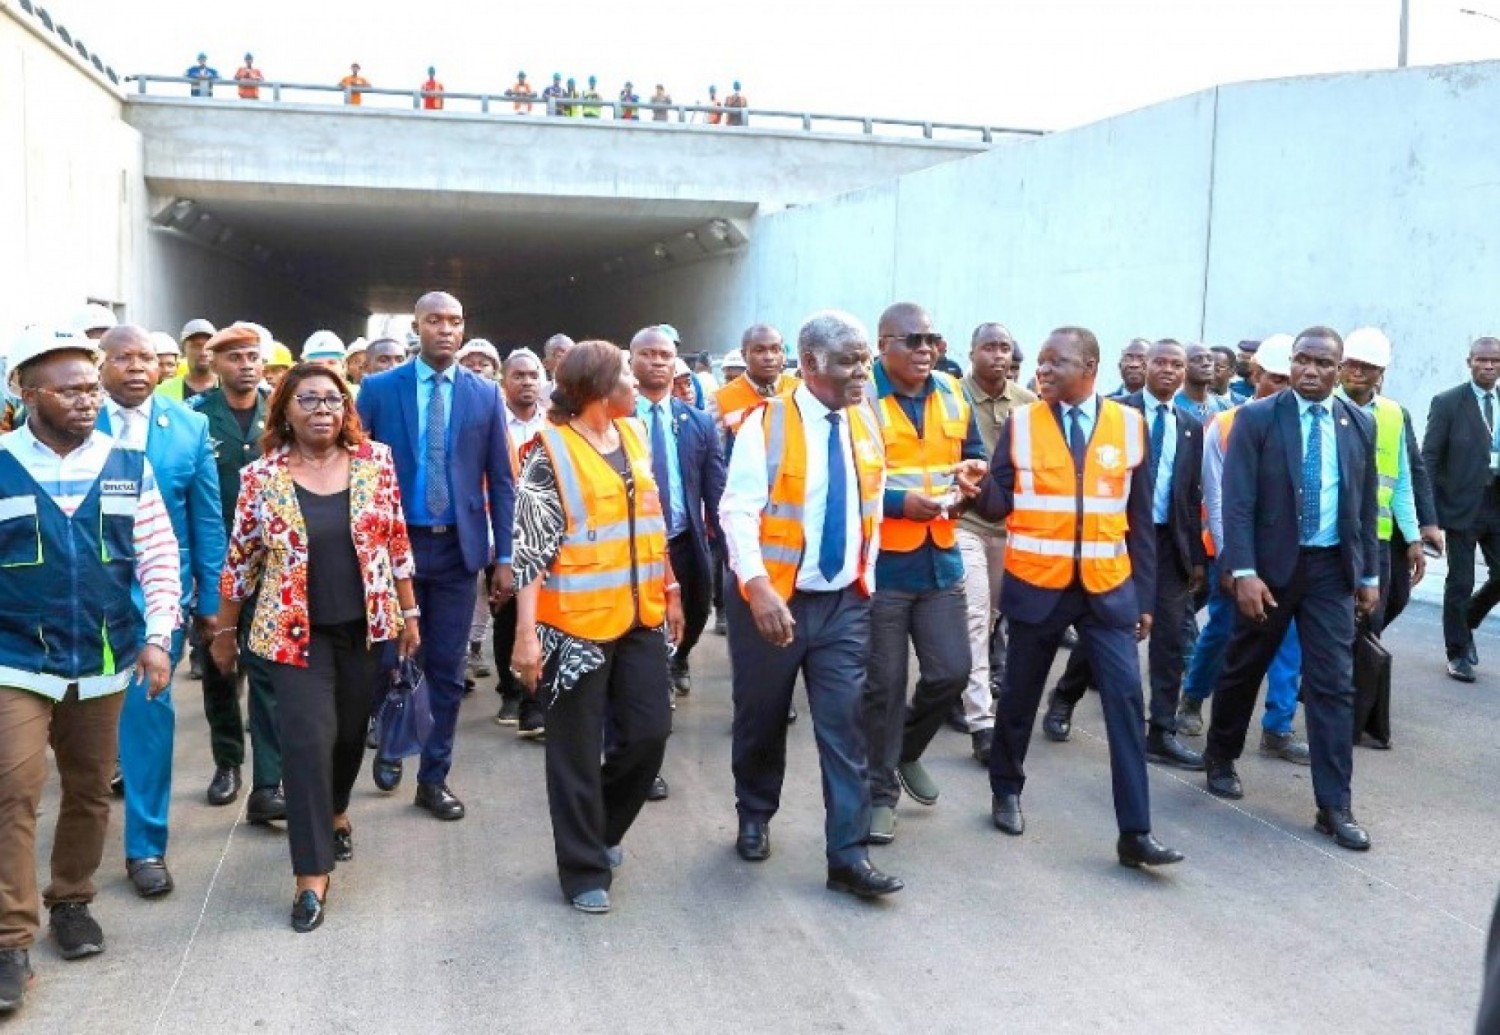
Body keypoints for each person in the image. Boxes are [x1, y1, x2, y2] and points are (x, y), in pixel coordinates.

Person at [0, 327, 179, 1014]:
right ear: (27, 391)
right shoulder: (4, 461)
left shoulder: (128, 462)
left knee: (88, 789)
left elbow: (160, 554)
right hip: (15, 657)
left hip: (104, 657)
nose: (87, 399)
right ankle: (12, 937)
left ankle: (71, 899)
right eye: (71, 388)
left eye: (91, 388)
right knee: (13, 787)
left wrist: (158, 637)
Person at [215, 364, 420, 932]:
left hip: (364, 629)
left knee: (350, 735)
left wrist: (409, 611)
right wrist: (225, 632)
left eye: (332, 399)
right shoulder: (261, 477)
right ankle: (311, 876)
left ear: (346, 409)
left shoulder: (376, 463)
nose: (322, 409)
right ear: (284, 410)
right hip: (293, 636)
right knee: (306, 743)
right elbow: (242, 559)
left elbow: (396, 540)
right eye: (308, 399)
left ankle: (335, 811)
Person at [975, 326, 1182, 868]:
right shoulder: (1021, 425)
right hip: (1037, 588)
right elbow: (997, 505)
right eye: (1039, 363)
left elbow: (1140, 522)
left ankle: (1135, 832)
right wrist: (976, 485)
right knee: (1018, 696)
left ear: (1088, 366)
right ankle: (1006, 789)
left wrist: (1144, 598)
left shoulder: (1129, 426)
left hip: (1107, 591)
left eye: (1054, 362)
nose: (1041, 370)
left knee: (1124, 703)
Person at [720, 310, 904, 899]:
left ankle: (846, 857)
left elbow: (868, 502)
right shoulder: (764, 425)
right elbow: (737, 511)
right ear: (810, 365)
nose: (862, 371)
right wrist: (757, 586)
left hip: (843, 602)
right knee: (762, 716)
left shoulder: (865, 423)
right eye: (850, 360)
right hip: (772, 603)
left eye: (864, 359)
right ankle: (754, 811)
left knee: (844, 726)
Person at [510, 341, 682, 914]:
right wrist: (525, 635)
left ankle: (600, 828)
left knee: (649, 733)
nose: (638, 382)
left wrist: (672, 588)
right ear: (599, 389)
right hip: (572, 628)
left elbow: (652, 523)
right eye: (627, 374)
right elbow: (530, 551)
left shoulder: (631, 438)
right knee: (576, 752)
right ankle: (583, 867)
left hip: (639, 616)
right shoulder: (549, 451)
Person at [1203, 327, 1379, 851]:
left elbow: (1365, 506)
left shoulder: (1357, 424)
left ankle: (1334, 804)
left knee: (1333, 683)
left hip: (1329, 570)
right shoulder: (1257, 418)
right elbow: (1235, 502)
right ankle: (1220, 754)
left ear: (1341, 369)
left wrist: (1368, 575)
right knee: (1244, 665)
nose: (1310, 370)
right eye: (1303, 360)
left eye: (1323, 363)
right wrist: (1243, 570)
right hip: (1270, 568)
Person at [356, 292, 515, 819]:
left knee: (445, 668)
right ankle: (392, 740)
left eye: (455, 321)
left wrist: (506, 556)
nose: (446, 330)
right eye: (434, 321)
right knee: (388, 660)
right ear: (416, 328)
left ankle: (434, 777)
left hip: (455, 549)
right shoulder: (379, 390)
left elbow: (503, 480)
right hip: (390, 550)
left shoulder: (485, 395)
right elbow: (357, 471)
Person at [97, 327, 225, 899]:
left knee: (148, 714)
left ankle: (146, 846)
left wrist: (213, 604)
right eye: (121, 358)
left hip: (158, 594)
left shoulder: (189, 426)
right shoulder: (69, 424)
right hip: (82, 593)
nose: (134, 367)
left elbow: (206, 520)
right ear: (100, 367)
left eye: (145, 357)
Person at [1041, 340, 1205, 770]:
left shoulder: (1190, 424)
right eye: (1161, 362)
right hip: (1115, 533)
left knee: (1170, 639)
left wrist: (1198, 557)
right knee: (1109, 626)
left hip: (1168, 544)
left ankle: (1162, 731)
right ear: (1145, 366)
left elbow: (1188, 494)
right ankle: (1065, 697)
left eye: (1177, 365)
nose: (1168, 371)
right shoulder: (1113, 412)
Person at [861, 303, 988, 845]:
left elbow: (974, 455)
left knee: (951, 673)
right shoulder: (861, 397)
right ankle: (878, 794)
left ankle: (906, 751)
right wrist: (896, 503)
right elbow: (848, 475)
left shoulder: (952, 392)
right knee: (885, 687)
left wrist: (969, 481)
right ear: (883, 342)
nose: (925, 349)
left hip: (940, 555)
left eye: (933, 339)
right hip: (883, 564)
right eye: (913, 339)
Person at [1176, 335, 1309, 764]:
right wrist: (1233, 560)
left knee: (1288, 640)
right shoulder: (1230, 424)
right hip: (1235, 556)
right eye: (1276, 379)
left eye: (1289, 379)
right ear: (1255, 376)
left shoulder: (1308, 424)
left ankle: (1278, 727)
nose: (1286, 387)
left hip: (1288, 558)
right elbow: (1218, 498)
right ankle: (1193, 698)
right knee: (1222, 632)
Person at [188, 325, 285, 820]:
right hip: (217, 564)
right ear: (215, 363)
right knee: (220, 670)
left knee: (267, 668)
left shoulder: (283, 409)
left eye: (253, 356)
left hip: (273, 565)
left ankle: (269, 781)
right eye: (235, 358)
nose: (246, 365)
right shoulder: (196, 418)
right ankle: (228, 761)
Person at [630, 327, 726, 701]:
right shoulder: (615, 419)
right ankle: (657, 680)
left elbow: (715, 490)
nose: (657, 362)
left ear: (676, 365)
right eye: (648, 354)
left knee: (697, 608)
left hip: (684, 540)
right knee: (647, 618)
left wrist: (730, 547)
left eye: (665, 356)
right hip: (635, 545)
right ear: (632, 360)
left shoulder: (697, 422)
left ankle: (679, 657)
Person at [955, 323, 1035, 765]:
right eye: (989, 347)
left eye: (1005, 347)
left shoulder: (1028, 404)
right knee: (975, 616)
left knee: (991, 623)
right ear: (972, 352)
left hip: (1013, 530)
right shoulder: (952, 397)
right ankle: (982, 723)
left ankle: (956, 684)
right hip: (964, 524)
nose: (998, 356)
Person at [1423, 336, 1500, 683]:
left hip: (1496, 504)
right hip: (1461, 506)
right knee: (1460, 580)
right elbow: (1429, 457)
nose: (1488, 366)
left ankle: (1466, 618)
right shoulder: (1448, 402)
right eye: (1482, 360)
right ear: (1469, 361)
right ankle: (1457, 652)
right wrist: (1430, 514)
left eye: (1495, 361)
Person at [493, 348, 547, 733]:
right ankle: (510, 691)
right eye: (519, 376)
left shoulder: (556, 425)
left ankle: (535, 700)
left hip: (544, 535)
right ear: (504, 382)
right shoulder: (493, 425)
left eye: (533, 376)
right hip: (503, 533)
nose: (527, 382)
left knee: (538, 615)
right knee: (506, 612)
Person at [715, 325, 797, 449]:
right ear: (744, 355)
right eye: (759, 350)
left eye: (775, 350)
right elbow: (716, 455)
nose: (769, 357)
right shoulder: (720, 399)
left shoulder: (801, 389)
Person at [157, 319, 217, 402]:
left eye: (209, 345)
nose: (203, 352)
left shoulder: (230, 388)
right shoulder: (162, 392)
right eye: (196, 346)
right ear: (183, 350)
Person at [1178, 342, 1233, 422]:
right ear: (1182, 366)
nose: (1206, 363)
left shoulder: (1225, 406)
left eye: (1210, 359)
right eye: (1197, 359)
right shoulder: (1173, 406)